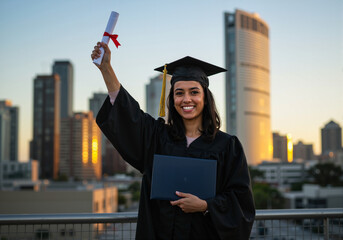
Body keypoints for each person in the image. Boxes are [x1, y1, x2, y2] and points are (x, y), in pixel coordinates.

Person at [91, 42, 255, 239]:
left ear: (205, 97)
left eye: (194, 92)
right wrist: (106, 68)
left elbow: (241, 202)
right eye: (179, 93)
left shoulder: (227, 146)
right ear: (172, 99)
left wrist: (205, 205)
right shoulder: (158, 137)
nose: (186, 99)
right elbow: (129, 115)